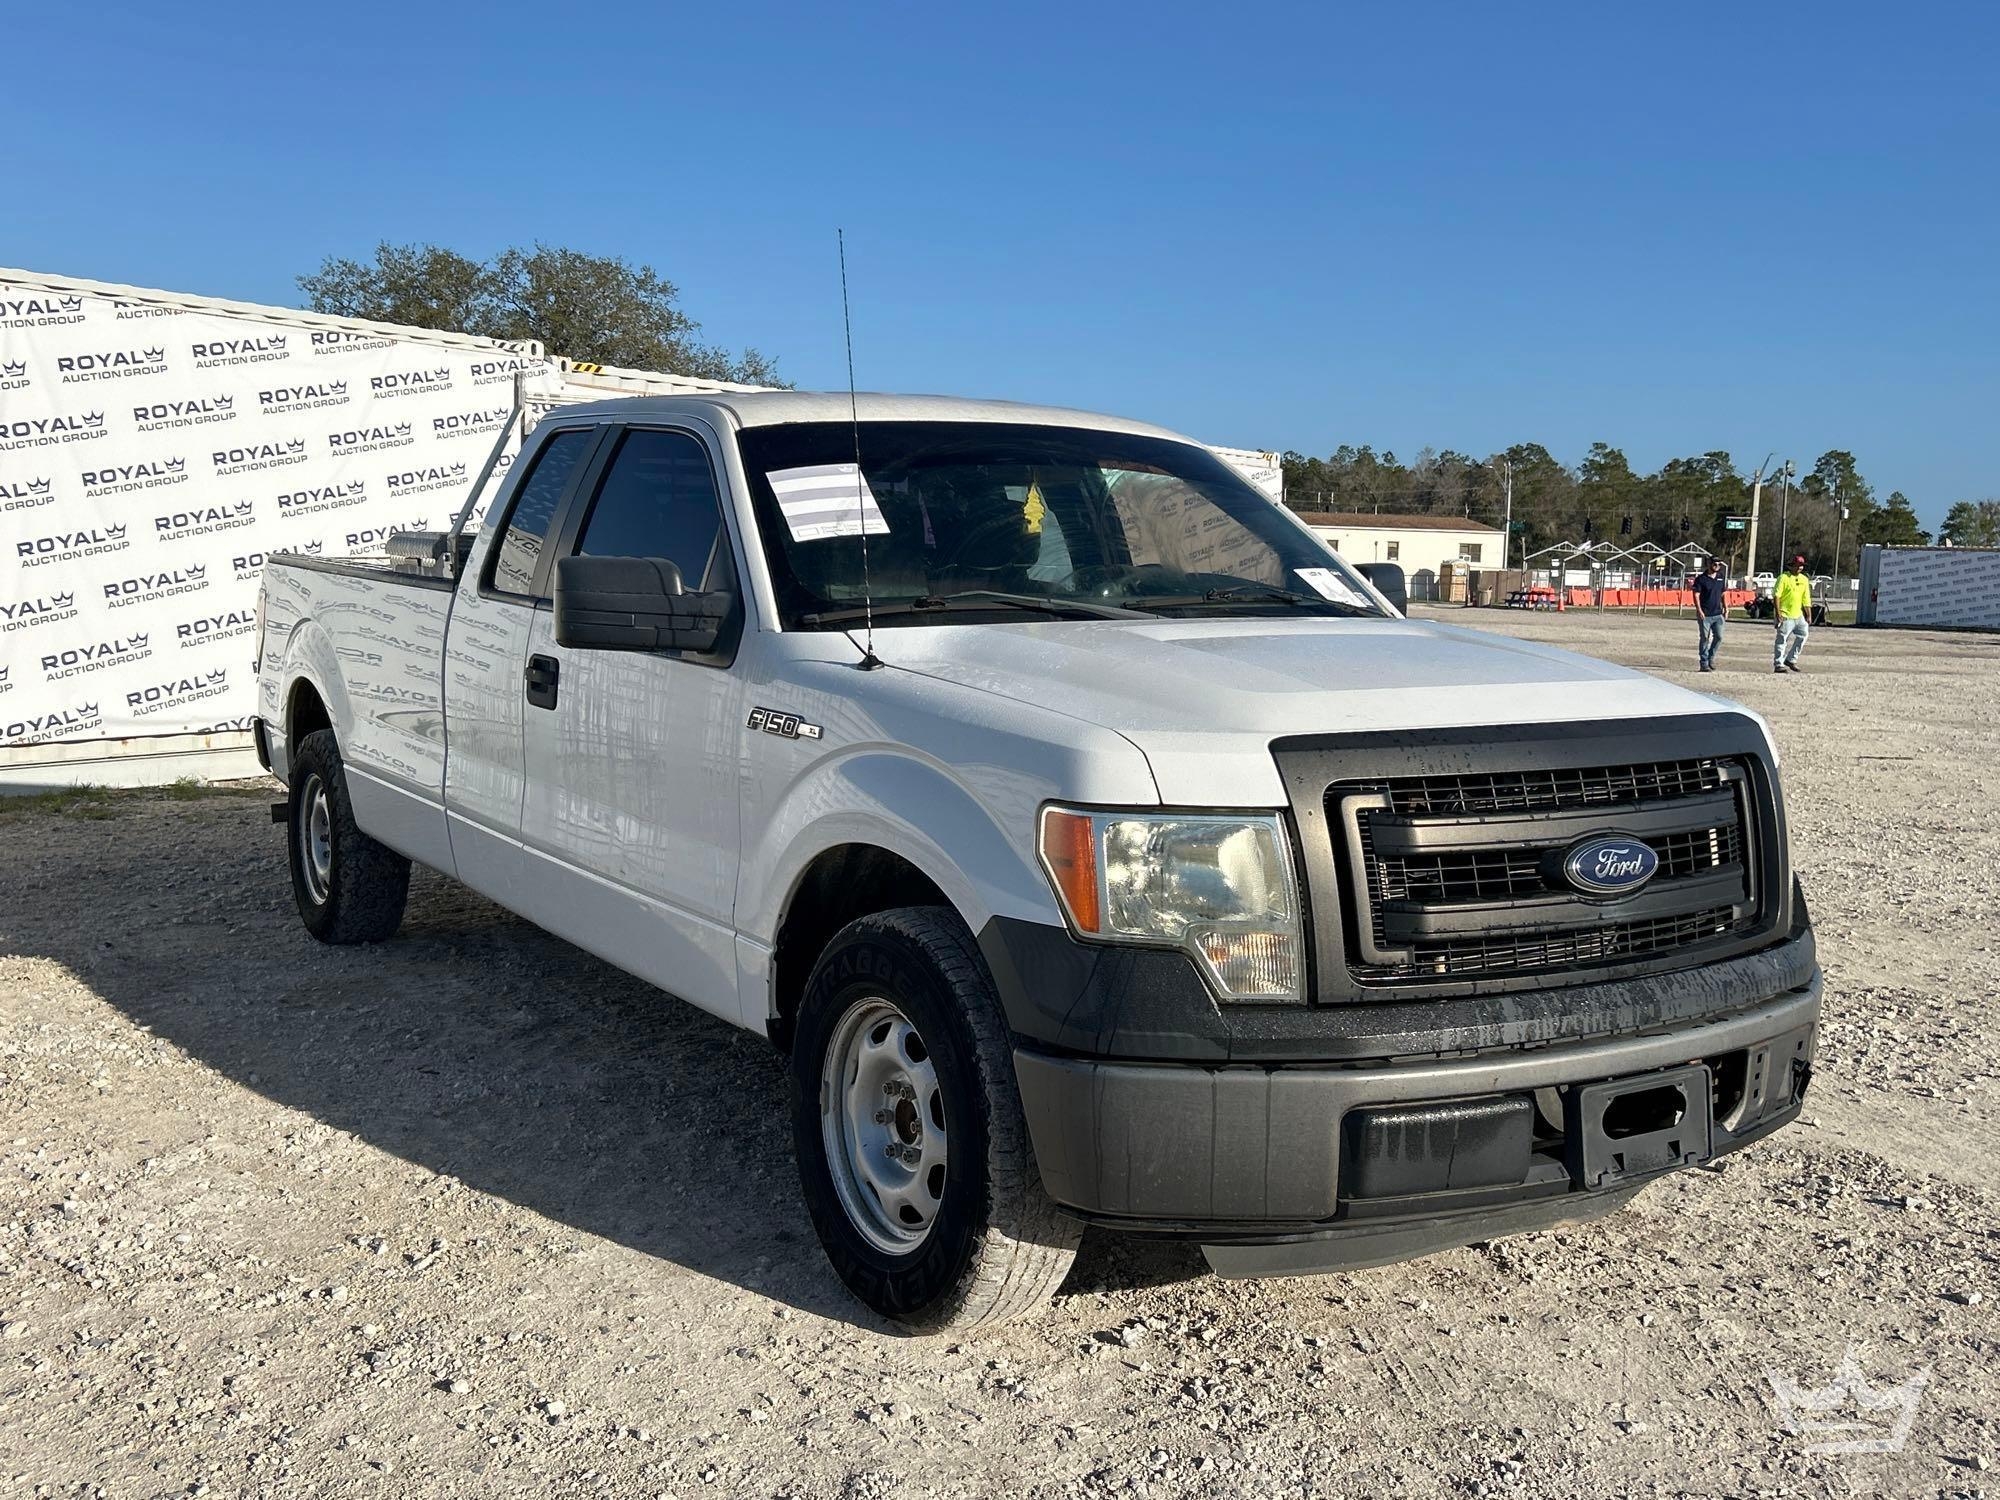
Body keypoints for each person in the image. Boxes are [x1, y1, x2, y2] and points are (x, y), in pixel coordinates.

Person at [1773, 555, 1812, 673]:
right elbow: (1777, 596)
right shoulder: (1783, 578)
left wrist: (1808, 614)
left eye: (1801, 566)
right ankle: (1778, 664)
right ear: (1791, 566)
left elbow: (1806, 599)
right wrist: (1778, 613)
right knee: (1782, 639)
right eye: (1797, 565)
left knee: (1803, 635)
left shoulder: (1804, 580)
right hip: (1785, 614)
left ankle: (1791, 659)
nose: (1799, 568)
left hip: (1798, 615)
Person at [1690, 556, 1728, 671]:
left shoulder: (1721, 578)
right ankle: (1704, 663)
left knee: (1719, 637)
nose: (1717, 566)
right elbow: (1696, 595)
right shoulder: (1701, 579)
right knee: (1704, 638)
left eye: (1719, 564)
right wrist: (1699, 610)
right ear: (1709, 564)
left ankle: (1711, 657)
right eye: (1715, 564)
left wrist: (1726, 608)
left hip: (1718, 614)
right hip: (1705, 614)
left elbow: (1723, 593)